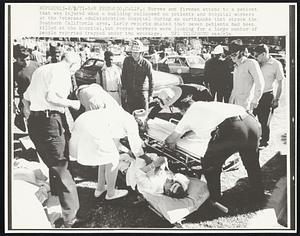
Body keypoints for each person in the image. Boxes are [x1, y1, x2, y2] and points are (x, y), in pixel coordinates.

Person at [22, 51, 82, 228]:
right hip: (49, 121)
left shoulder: (43, 69)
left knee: (49, 161)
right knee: (62, 167)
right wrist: (73, 103)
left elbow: (25, 97)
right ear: (73, 65)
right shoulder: (62, 72)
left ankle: (55, 195)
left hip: (35, 121)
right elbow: (52, 97)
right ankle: (71, 218)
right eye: (74, 70)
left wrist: (28, 113)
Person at [164, 98, 264, 203]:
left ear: (183, 110)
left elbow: (171, 139)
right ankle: (258, 193)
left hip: (232, 128)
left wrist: (168, 142)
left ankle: (215, 198)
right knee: (251, 162)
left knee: (209, 163)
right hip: (250, 121)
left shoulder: (189, 114)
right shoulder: (207, 104)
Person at [69, 84, 147, 200]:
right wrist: (143, 156)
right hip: (89, 127)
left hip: (82, 123)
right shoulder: (131, 122)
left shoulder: (120, 116)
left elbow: (115, 144)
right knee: (113, 159)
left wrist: (127, 151)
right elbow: (136, 146)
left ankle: (100, 188)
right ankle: (111, 193)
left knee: (105, 158)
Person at [253, 44, 285, 148]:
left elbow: (280, 83)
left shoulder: (276, 64)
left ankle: (264, 141)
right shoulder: (255, 63)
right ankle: (252, 139)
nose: (255, 57)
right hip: (253, 95)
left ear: (263, 54)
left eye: (256, 55)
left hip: (267, 95)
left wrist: (277, 99)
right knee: (251, 119)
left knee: (264, 121)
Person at [228, 40, 265, 112]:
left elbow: (260, 82)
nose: (232, 57)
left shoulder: (251, 63)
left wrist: (255, 100)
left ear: (241, 52)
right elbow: (235, 87)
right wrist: (231, 100)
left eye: (234, 54)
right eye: (230, 55)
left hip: (245, 105)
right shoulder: (236, 66)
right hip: (234, 104)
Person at [121, 39, 153, 114]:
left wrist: (150, 95)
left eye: (137, 52)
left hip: (142, 93)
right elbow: (123, 75)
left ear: (141, 53)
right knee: (130, 115)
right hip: (130, 93)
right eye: (133, 52)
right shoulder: (127, 61)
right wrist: (124, 89)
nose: (134, 54)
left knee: (143, 116)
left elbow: (151, 80)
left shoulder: (147, 64)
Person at [147, 84, 213, 120]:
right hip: (186, 98)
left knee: (202, 113)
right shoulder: (168, 95)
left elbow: (186, 108)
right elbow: (157, 107)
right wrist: (148, 119)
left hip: (202, 93)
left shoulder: (185, 96)